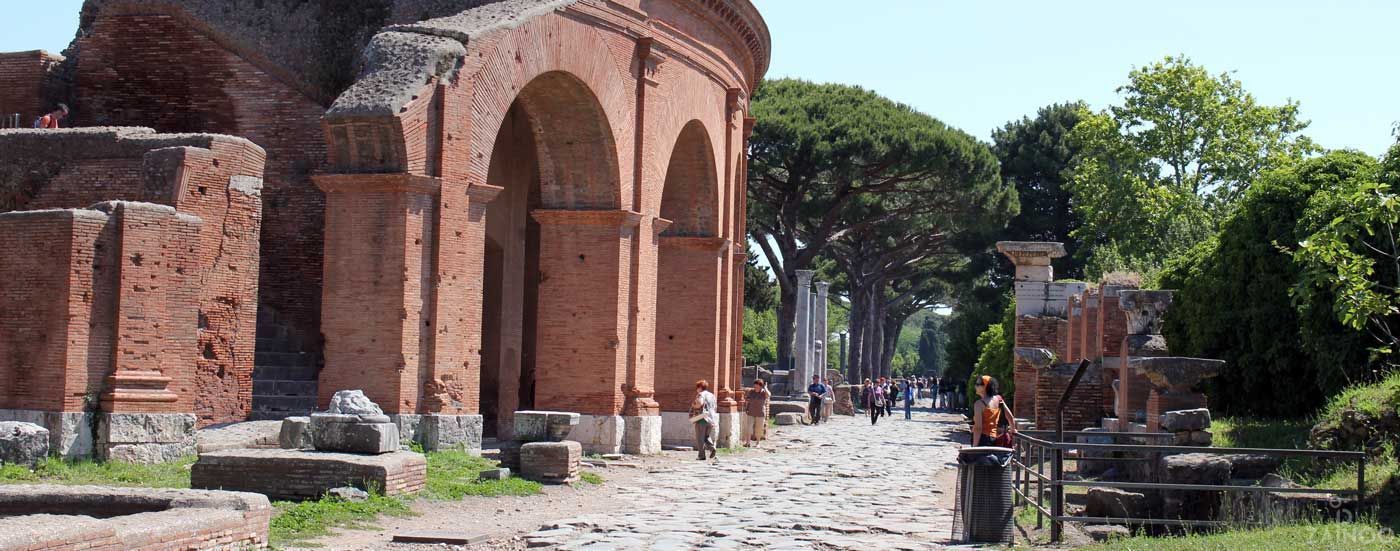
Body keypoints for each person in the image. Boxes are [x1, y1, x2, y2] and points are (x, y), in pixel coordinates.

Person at [971, 375, 1016, 447]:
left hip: (982, 439)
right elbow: (1010, 417)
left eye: (977, 384)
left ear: (984, 387)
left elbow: (978, 428)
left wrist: (974, 447)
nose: (975, 386)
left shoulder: (979, 404)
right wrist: (1013, 432)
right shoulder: (999, 399)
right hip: (994, 438)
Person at [690, 379, 719, 460]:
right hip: (711, 418)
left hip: (702, 418)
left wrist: (694, 405)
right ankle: (712, 448)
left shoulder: (701, 394)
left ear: (700, 387)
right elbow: (715, 407)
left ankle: (701, 455)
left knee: (700, 438)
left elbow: (699, 404)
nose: (696, 389)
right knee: (706, 436)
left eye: (697, 387)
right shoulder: (712, 395)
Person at [743, 379, 770, 448]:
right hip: (751, 412)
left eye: (757, 386)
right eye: (755, 386)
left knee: (758, 428)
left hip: (760, 413)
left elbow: (769, 395)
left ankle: (758, 443)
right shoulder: (751, 392)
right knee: (749, 428)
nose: (756, 388)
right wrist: (746, 408)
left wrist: (765, 388)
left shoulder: (764, 393)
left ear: (761, 386)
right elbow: (747, 401)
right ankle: (748, 443)